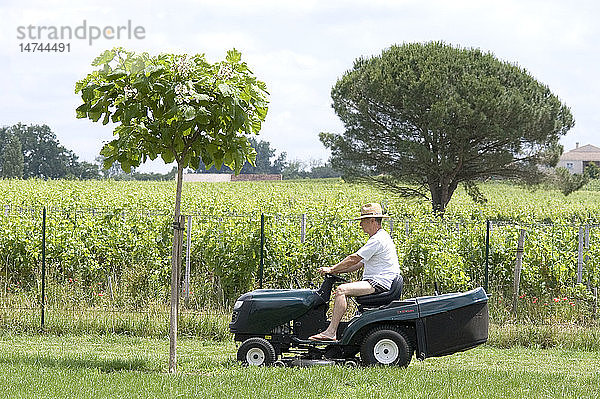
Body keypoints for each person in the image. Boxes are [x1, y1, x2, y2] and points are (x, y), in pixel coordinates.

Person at [309, 203, 401, 341]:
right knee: (342, 288)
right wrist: (337, 272)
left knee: (341, 290)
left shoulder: (378, 239)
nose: (360, 225)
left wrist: (332, 269)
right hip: (379, 281)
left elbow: (353, 259)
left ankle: (331, 332)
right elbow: (358, 264)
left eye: (362, 221)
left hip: (379, 283)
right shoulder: (380, 237)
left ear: (372, 220)